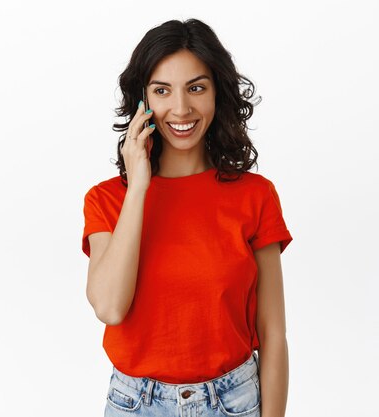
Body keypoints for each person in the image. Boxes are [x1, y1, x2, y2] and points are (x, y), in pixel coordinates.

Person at [81, 18, 293, 417]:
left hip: (234, 402)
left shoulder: (255, 196)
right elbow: (110, 308)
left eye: (196, 87)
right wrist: (140, 187)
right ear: (141, 100)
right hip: (136, 405)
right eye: (162, 90)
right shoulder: (107, 199)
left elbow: (273, 333)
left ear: (217, 94)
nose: (181, 108)